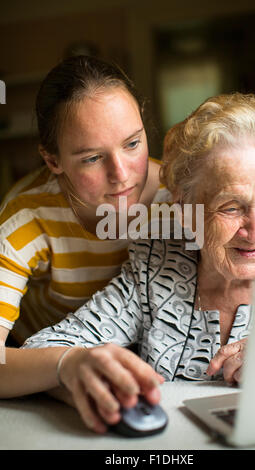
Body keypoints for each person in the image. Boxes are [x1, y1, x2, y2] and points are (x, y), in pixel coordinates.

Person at [2, 92, 255, 435]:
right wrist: (77, 368)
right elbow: (45, 348)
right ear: (185, 210)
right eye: (231, 207)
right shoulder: (155, 269)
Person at [0, 55, 169, 347]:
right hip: (38, 362)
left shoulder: (182, 199)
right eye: (92, 158)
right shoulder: (27, 216)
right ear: (53, 160)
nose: (121, 174)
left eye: (132, 143)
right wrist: (67, 366)